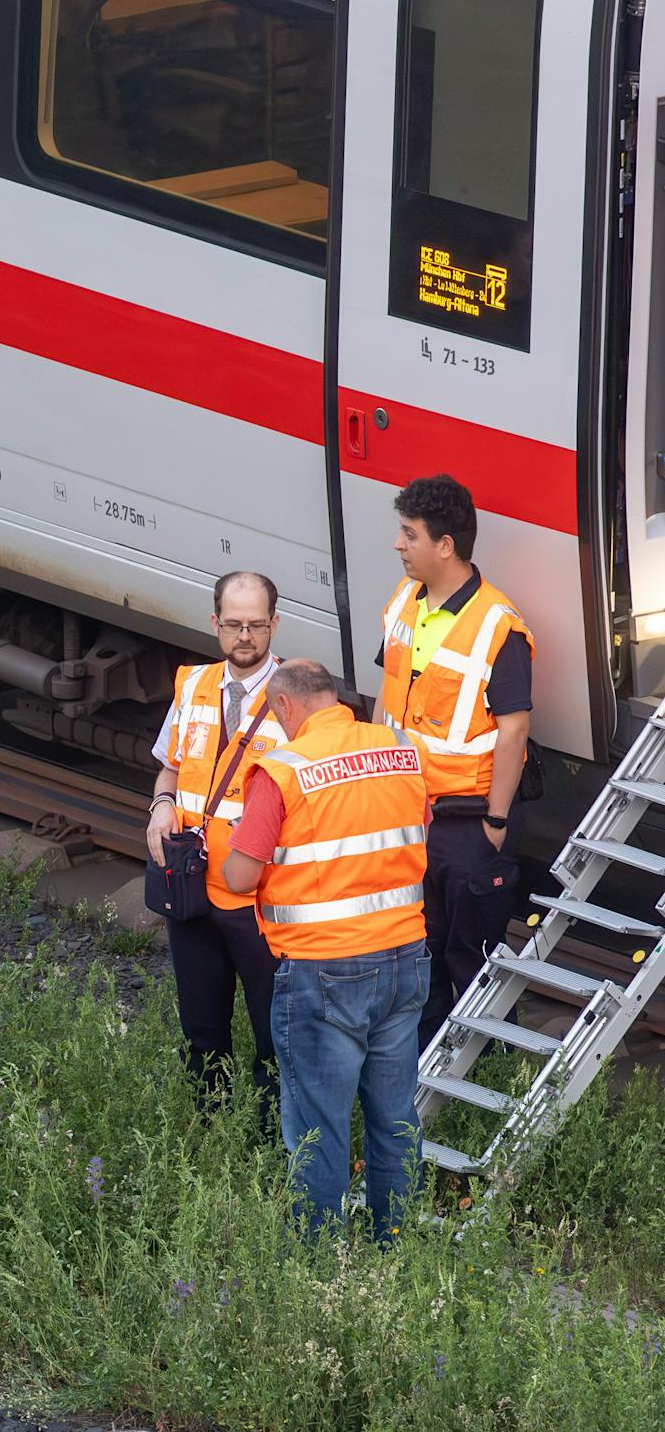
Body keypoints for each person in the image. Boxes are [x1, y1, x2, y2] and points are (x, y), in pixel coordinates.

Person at [222, 660, 430, 1237]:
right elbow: (414, 828)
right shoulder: (399, 747)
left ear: (285, 707)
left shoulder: (283, 770)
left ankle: (318, 1265)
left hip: (325, 970)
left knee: (319, 1123)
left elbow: (239, 878)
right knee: (394, 1118)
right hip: (405, 958)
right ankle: (396, 1246)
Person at [375, 474, 532, 1048]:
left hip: (466, 827)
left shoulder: (497, 626)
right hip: (407, 817)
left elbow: (514, 732)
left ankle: (488, 1077)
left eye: (408, 534)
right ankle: (425, 1074)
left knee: (472, 960)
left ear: (445, 545)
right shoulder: (402, 602)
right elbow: (386, 699)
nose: (398, 544)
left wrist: (494, 824)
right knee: (421, 955)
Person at [145, 571, 285, 1116]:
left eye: (256, 625)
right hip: (193, 889)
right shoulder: (194, 687)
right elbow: (170, 770)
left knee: (274, 1036)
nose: (244, 636)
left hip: (260, 901)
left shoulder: (294, 701)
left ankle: (275, 1143)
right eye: (233, 624)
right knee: (201, 1029)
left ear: (275, 625)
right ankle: (211, 1135)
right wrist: (160, 807)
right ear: (215, 623)